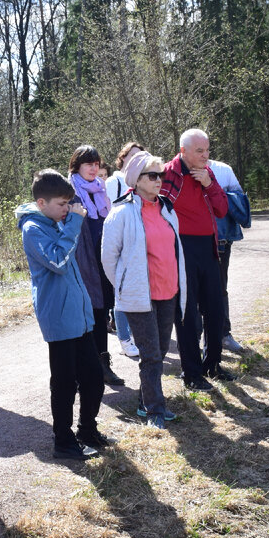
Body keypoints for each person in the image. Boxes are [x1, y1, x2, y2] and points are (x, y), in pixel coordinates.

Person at [16, 169, 110, 460]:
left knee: (94, 377)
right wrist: (74, 225)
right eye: (61, 204)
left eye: (70, 203)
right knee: (65, 381)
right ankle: (63, 440)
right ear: (42, 203)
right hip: (58, 317)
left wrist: (69, 222)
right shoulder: (33, 229)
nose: (68, 209)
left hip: (78, 316)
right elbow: (57, 260)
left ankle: (87, 429)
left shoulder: (58, 221)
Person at [101, 152, 186, 429]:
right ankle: (154, 412)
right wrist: (126, 287)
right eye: (152, 175)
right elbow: (108, 258)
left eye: (161, 175)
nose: (159, 180)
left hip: (168, 292)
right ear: (136, 180)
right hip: (140, 296)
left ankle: (144, 401)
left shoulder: (167, 208)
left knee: (159, 352)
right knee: (150, 355)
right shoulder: (122, 212)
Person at [161, 129, 230, 391]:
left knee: (215, 309)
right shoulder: (168, 173)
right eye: (199, 151)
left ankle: (212, 364)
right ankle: (191, 373)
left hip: (208, 247)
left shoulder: (208, 173)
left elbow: (222, 209)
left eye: (207, 150)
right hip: (181, 248)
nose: (205, 155)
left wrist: (209, 185)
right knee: (188, 314)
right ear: (183, 152)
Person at [69, 145, 125, 386]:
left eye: (96, 164)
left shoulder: (102, 189)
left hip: (103, 262)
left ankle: (103, 366)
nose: (93, 169)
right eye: (87, 164)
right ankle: (83, 372)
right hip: (81, 264)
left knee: (101, 313)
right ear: (77, 166)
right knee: (84, 316)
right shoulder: (68, 191)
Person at [106, 141, 146, 360]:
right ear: (122, 159)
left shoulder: (144, 180)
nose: (135, 159)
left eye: (140, 156)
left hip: (140, 243)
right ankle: (124, 339)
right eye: (131, 155)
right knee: (120, 292)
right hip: (121, 243)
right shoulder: (114, 181)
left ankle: (135, 334)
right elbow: (109, 212)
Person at [208, 158, 249, 355]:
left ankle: (224, 334)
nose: (202, 152)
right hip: (189, 241)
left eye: (204, 148)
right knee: (193, 292)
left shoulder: (223, 170)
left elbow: (239, 198)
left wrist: (219, 194)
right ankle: (200, 340)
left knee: (219, 287)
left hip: (221, 239)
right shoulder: (178, 170)